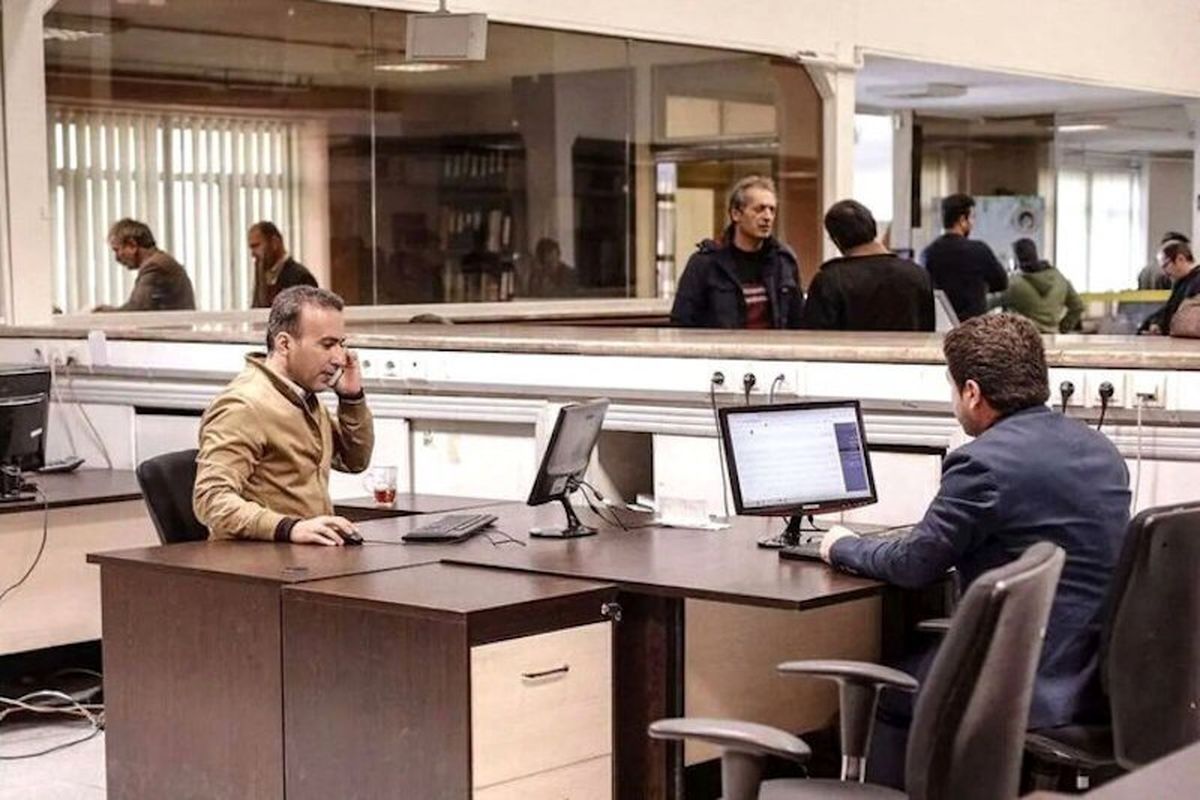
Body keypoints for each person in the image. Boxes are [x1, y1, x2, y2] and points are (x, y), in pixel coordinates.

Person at [819, 313, 1130, 785]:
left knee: (885, 689)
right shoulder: (1099, 449)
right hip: (1094, 678)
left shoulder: (981, 463)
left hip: (1024, 680)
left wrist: (842, 546)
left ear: (971, 392)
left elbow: (914, 564)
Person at [194, 286, 374, 545]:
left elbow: (355, 460)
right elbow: (211, 499)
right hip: (260, 556)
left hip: (308, 551)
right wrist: (289, 528)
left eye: (341, 344)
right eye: (327, 345)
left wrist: (351, 399)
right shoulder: (243, 405)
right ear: (284, 344)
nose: (339, 358)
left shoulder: (302, 397)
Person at [670, 175, 803, 329]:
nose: (767, 217)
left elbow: (798, 321)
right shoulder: (706, 263)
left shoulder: (784, 261)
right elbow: (682, 321)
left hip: (774, 344)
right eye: (759, 209)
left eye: (772, 210)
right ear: (736, 214)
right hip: (722, 344)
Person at [800, 199, 934, 331]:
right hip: (905, 346)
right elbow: (927, 331)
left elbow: (815, 336)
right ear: (874, 228)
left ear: (837, 240)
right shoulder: (917, 275)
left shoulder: (829, 281)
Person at [920, 193, 1007, 321]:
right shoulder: (979, 250)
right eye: (972, 217)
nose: (972, 223)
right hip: (974, 327)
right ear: (962, 220)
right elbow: (1002, 282)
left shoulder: (928, 254)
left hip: (942, 326)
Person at [98, 218, 195, 311]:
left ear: (132, 245)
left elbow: (137, 309)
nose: (117, 258)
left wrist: (103, 313)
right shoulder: (162, 261)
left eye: (117, 250)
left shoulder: (154, 266)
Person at [990, 238, 1083, 333]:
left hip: (1024, 337)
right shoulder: (1059, 278)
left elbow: (987, 304)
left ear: (1016, 259)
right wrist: (1063, 328)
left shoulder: (1014, 284)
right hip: (1053, 337)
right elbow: (1078, 306)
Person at [249, 221, 318, 308]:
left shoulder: (301, 277)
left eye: (256, 246)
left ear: (274, 242)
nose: (253, 254)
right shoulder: (261, 276)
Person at [1139, 238, 1200, 334]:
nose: (1164, 273)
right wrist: (1155, 323)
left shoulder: (1196, 281)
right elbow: (1168, 310)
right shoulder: (1181, 283)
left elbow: (1183, 314)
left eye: (1165, 265)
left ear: (1180, 259)